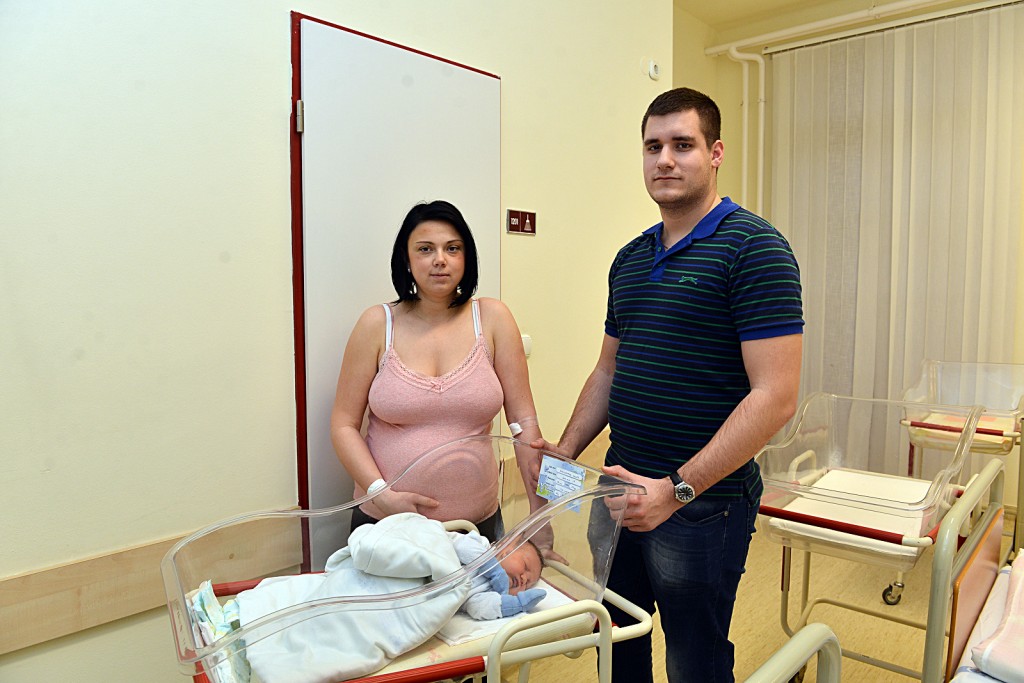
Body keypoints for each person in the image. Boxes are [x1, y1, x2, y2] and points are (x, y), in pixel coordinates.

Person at [532, 87, 804, 682]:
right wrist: (564, 453)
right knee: (616, 640)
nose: (665, 160)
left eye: (683, 145)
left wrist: (674, 490)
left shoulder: (755, 249)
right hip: (618, 491)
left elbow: (775, 397)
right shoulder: (630, 259)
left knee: (693, 660)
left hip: (701, 505)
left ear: (715, 153)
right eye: (653, 146)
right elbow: (608, 370)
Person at [330, 200, 543, 542]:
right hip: (385, 526)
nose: (440, 259)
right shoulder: (376, 324)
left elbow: (524, 422)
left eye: (452, 248)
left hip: (477, 530)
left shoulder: (493, 319)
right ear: (406, 259)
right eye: (425, 249)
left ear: (467, 257)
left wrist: (539, 513)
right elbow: (343, 425)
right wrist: (381, 495)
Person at [451, 530, 546, 621]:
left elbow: (477, 608)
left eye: (527, 584)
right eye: (525, 566)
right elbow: (460, 546)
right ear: (505, 545)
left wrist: (516, 603)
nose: (524, 579)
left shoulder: (489, 592)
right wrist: (493, 569)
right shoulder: (483, 546)